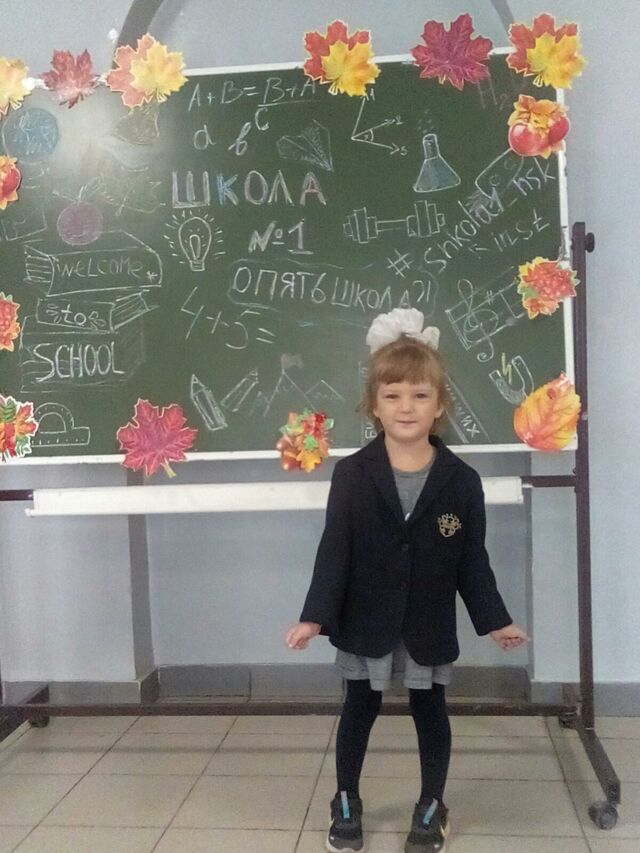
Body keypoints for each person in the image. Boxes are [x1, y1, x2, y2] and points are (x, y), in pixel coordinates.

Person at [285, 308, 529, 853]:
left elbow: (472, 561)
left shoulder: (461, 481)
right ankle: (345, 798)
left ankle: (432, 804)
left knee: (430, 711)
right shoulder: (352, 474)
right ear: (374, 404)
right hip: (365, 618)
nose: (406, 406)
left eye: (420, 395)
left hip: (427, 621)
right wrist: (313, 617)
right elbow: (334, 551)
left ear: (439, 405)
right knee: (359, 708)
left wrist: (496, 621)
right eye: (393, 395)